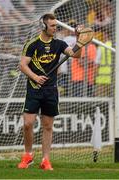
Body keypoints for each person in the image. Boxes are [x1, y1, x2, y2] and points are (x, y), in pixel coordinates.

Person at [18, 13, 83, 170]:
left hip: (51, 91)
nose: (56, 28)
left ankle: (45, 160)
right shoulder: (32, 44)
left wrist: (79, 39)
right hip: (34, 89)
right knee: (28, 124)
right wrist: (35, 77)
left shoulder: (59, 44)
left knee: (47, 126)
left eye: (56, 25)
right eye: (53, 25)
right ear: (43, 26)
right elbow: (22, 65)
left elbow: (76, 55)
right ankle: (28, 155)